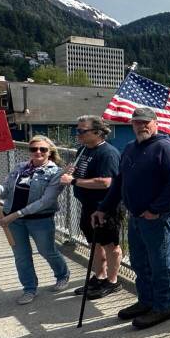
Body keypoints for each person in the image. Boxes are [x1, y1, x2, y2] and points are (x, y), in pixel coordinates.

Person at [94, 106, 170, 330]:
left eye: (146, 122)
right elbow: (118, 183)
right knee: (140, 262)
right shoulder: (129, 148)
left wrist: (156, 209)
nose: (142, 126)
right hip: (135, 216)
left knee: (160, 263)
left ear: (156, 123)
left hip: (156, 218)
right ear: (132, 125)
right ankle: (146, 300)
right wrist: (103, 208)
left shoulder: (165, 148)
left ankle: (164, 304)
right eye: (137, 122)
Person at [0, 135, 70, 305]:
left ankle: (62, 275)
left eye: (42, 149)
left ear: (49, 152)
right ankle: (29, 289)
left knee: (47, 251)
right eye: (33, 149)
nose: (38, 152)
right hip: (13, 220)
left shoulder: (56, 172)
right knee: (21, 256)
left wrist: (15, 215)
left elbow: (46, 201)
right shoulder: (19, 167)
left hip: (39, 220)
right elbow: (4, 192)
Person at [60, 116, 122, 300]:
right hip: (87, 205)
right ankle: (99, 276)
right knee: (94, 243)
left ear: (97, 132)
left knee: (110, 244)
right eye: (77, 130)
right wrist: (71, 172)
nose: (77, 134)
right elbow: (82, 174)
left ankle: (112, 281)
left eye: (81, 130)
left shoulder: (108, 153)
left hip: (104, 206)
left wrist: (74, 181)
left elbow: (106, 182)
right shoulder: (84, 150)